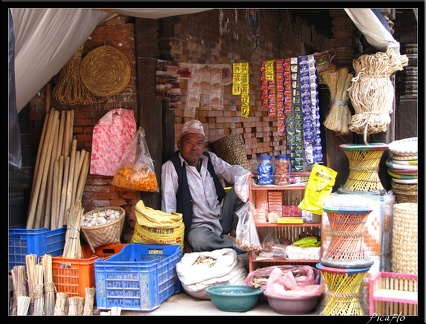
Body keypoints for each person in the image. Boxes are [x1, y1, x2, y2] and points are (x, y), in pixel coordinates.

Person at [161, 119, 249, 253]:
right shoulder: (171, 167)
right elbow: (168, 207)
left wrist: (250, 176)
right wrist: (177, 239)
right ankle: (237, 244)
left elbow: (233, 171)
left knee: (245, 183)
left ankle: (233, 235)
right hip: (198, 227)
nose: (194, 147)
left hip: (222, 219)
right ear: (179, 144)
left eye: (199, 143)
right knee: (199, 240)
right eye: (188, 142)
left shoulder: (209, 159)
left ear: (204, 146)